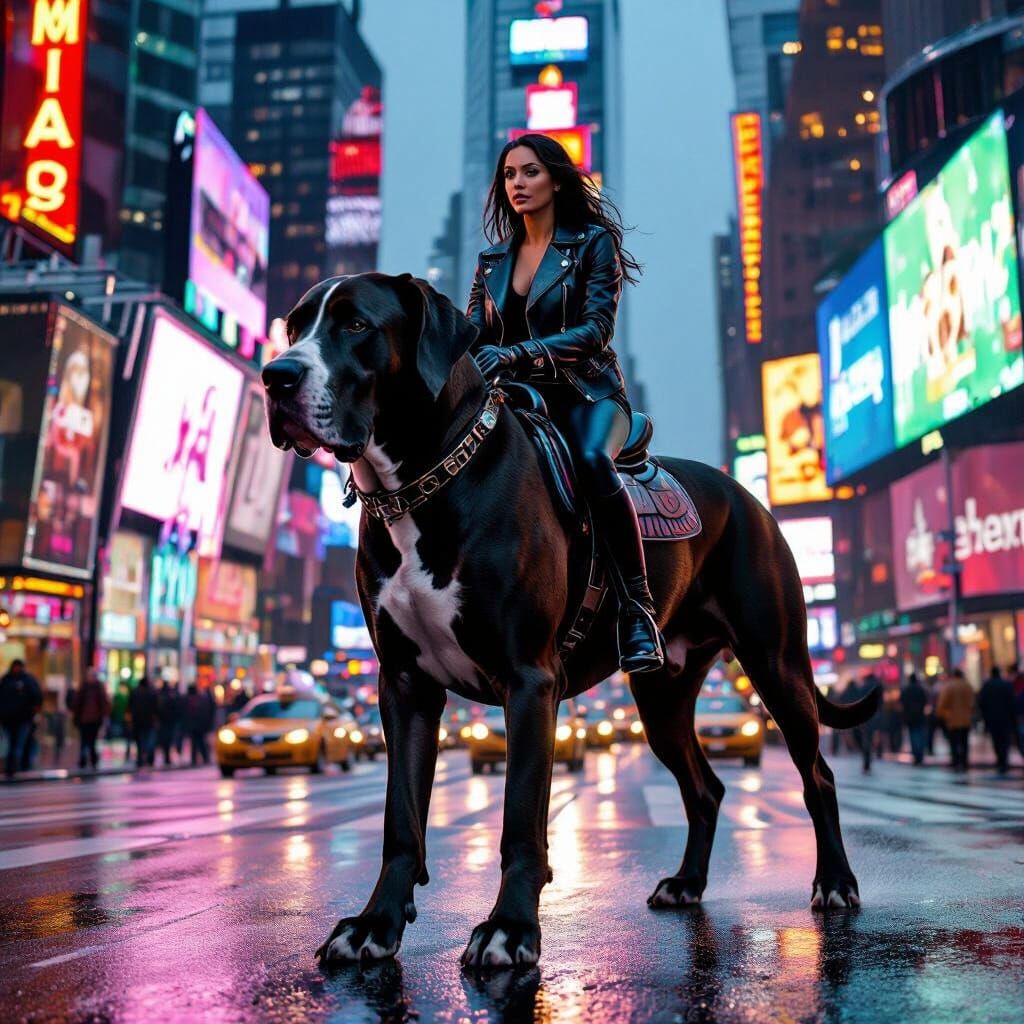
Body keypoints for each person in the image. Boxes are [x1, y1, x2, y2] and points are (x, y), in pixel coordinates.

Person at [466, 133, 661, 675]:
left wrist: (516, 353)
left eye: (529, 172)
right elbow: (471, 337)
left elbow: (596, 330)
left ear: (555, 177)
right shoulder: (491, 262)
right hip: (518, 403)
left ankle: (638, 609)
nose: (517, 185)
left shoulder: (592, 244)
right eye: (509, 175)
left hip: (590, 394)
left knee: (594, 461)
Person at [0, 659, 43, 779]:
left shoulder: (23, 680)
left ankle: (14, 768)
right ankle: (13, 768)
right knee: (14, 745)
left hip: (21, 719)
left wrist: (32, 712)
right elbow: (38, 697)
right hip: (10, 719)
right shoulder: (7, 680)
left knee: (17, 745)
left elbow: (37, 697)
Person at [67, 668, 111, 770]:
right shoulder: (88, 688)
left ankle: (88, 759)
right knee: (86, 740)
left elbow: (104, 704)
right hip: (87, 720)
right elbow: (77, 703)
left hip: (92, 720)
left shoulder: (93, 688)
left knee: (89, 740)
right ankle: (88, 759)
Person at [977, 666, 1016, 775]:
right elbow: (1011, 702)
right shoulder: (1007, 685)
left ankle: (1000, 761)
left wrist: (985, 717)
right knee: (1005, 740)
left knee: (997, 740)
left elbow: (981, 703)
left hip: (992, 718)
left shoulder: (987, 686)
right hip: (1005, 718)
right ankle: (1004, 761)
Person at [936, 669, 974, 772]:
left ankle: (956, 761)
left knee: (954, 742)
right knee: (964, 742)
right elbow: (973, 702)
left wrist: (943, 715)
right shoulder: (968, 686)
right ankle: (964, 761)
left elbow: (942, 704)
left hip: (952, 720)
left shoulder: (949, 687)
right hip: (966, 719)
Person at [900, 671, 930, 766]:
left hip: (910, 717)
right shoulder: (921, 689)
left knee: (913, 736)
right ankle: (920, 755)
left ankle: (916, 755)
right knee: (920, 735)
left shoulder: (906, 690)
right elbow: (925, 701)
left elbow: (902, 702)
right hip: (920, 716)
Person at [128, 677, 159, 768]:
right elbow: (157, 708)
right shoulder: (152, 693)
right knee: (150, 741)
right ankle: (149, 759)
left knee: (139, 742)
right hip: (149, 721)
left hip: (137, 721)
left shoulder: (134, 692)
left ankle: (140, 760)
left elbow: (130, 706)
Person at [184, 684, 215, 765]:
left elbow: (186, 714)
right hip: (200, 725)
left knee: (195, 742)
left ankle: (195, 759)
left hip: (193, 725)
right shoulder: (201, 699)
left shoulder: (188, 700)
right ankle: (204, 758)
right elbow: (206, 713)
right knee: (201, 742)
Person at [156, 679, 184, 767]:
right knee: (169, 739)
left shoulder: (160, 696)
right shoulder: (172, 696)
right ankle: (167, 756)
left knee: (165, 739)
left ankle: (166, 756)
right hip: (169, 722)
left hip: (164, 722)